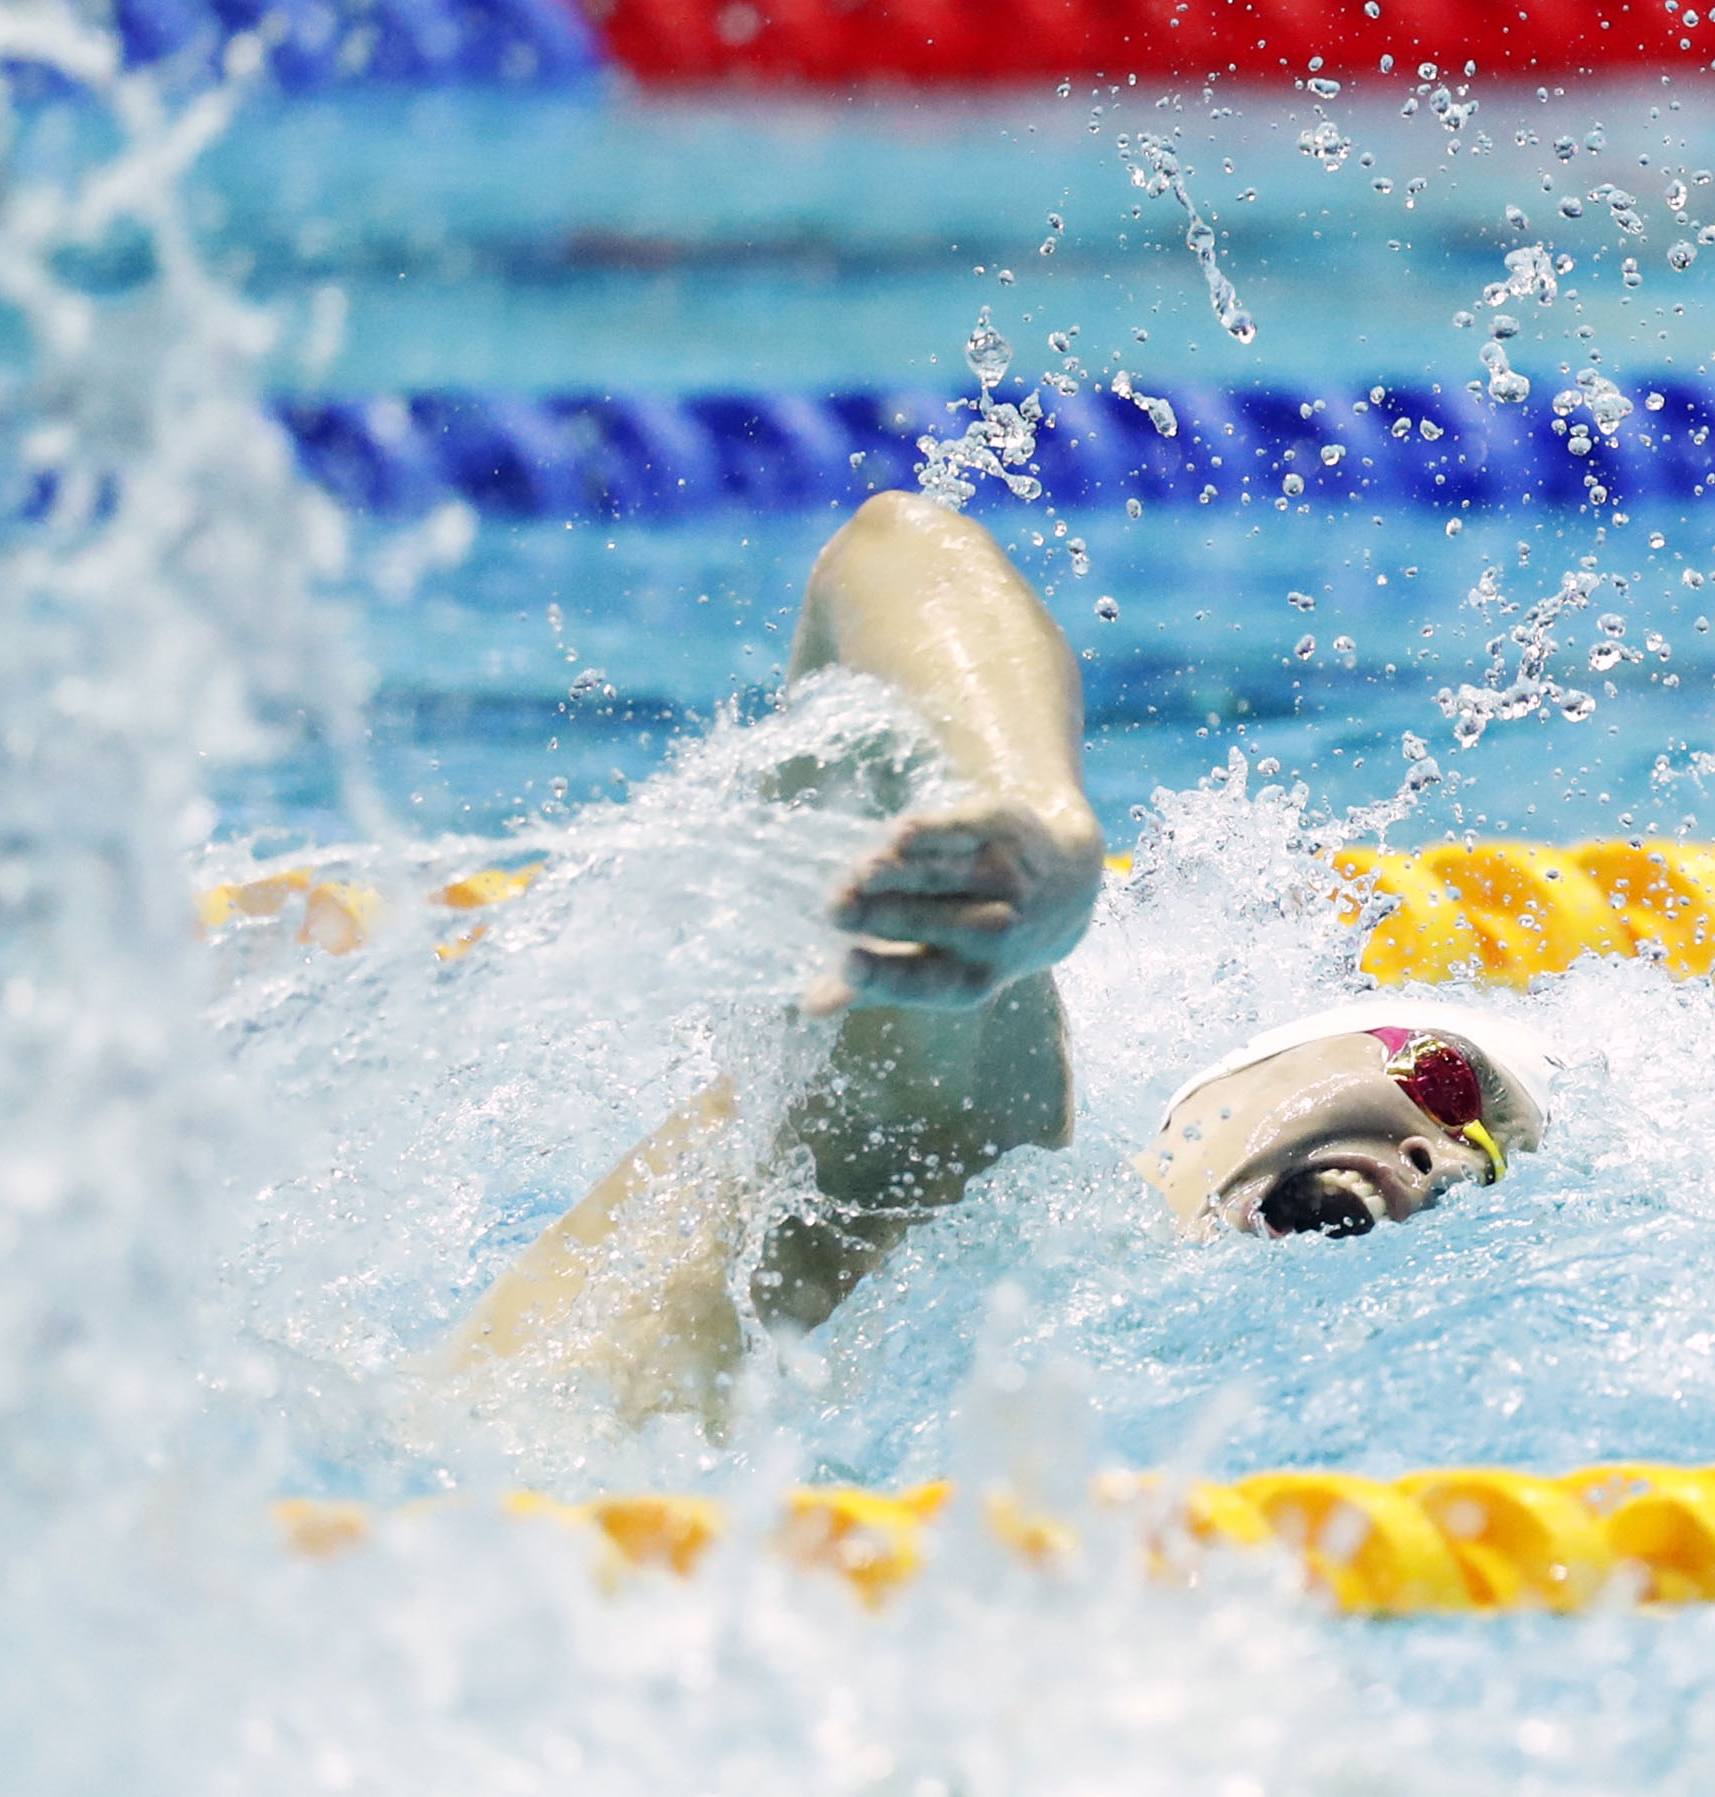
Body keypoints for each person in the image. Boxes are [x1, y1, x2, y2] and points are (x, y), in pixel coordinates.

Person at [446, 491, 1550, 1431]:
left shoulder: (1092, 1373)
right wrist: (1027, 802)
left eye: (1482, 1175)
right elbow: (896, 549)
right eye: (1448, 1081)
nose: (1443, 1159)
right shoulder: (971, 1155)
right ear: (1222, 1077)